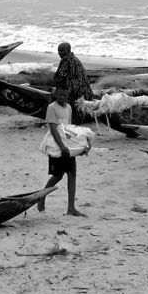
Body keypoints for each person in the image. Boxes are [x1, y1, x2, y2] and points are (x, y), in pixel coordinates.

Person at [37, 88, 87, 217]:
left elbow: (68, 128)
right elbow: (53, 129)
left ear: (67, 95)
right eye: (59, 94)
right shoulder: (51, 108)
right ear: (56, 95)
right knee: (57, 175)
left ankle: (71, 208)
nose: (62, 96)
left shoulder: (69, 107)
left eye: (64, 94)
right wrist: (61, 146)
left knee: (72, 173)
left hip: (67, 143)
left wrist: (76, 145)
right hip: (56, 145)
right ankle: (41, 196)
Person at [53, 42, 93, 124]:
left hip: (76, 92)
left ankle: (63, 117)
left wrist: (57, 89)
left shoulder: (67, 60)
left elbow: (60, 77)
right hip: (85, 91)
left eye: (62, 51)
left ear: (68, 50)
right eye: (59, 51)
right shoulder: (73, 59)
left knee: (54, 94)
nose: (60, 53)